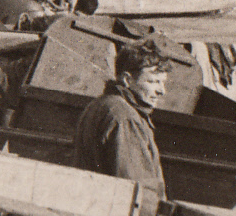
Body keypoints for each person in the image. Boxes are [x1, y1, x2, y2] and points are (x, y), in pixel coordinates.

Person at [72, 38, 171, 189]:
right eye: (153, 82)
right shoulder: (125, 117)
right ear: (126, 79)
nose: (162, 91)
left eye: (162, 82)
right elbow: (136, 187)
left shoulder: (102, 104)